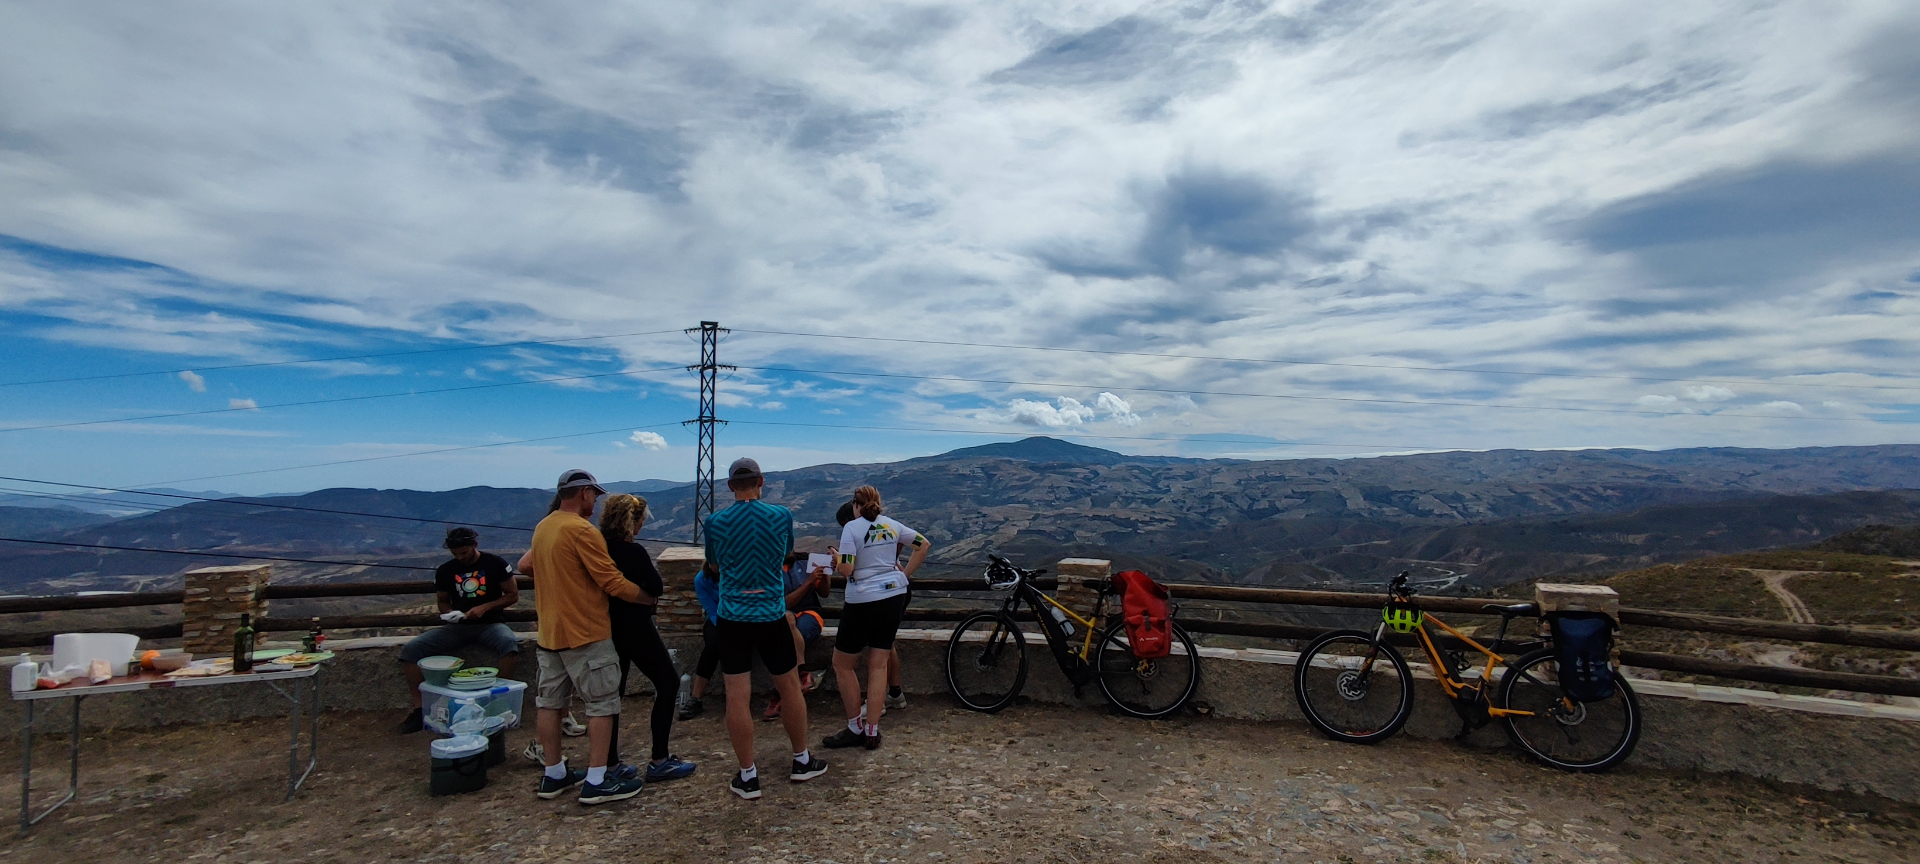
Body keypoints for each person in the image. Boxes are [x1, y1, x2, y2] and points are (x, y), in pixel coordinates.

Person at [521, 469, 648, 805]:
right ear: (584, 493)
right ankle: (597, 779)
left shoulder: (544, 526)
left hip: (550, 633)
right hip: (586, 633)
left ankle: (554, 774)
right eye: (594, 494)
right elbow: (612, 581)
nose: (595, 500)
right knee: (602, 704)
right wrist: (647, 597)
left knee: (550, 703)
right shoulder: (581, 530)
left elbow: (525, 566)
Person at [706, 457, 828, 799]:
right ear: (761, 482)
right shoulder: (780, 516)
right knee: (789, 688)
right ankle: (801, 760)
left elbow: (713, 565)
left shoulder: (715, 522)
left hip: (732, 616)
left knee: (737, 697)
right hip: (772, 613)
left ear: (730, 486)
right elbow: (786, 554)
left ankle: (748, 776)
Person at [597, 494, 697, 782]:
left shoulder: (598, 549)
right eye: (641, 520)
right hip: (636, 627)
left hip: (606, 627)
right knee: (668, 682)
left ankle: (610, 763)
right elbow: (656, 586)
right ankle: (659, 759)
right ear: (633, 521)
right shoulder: (633, 552)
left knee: (612, 695)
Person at [823, 486, 929, 751]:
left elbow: (847, 569)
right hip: (893, 595)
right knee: (879, 664)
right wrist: (903, 576)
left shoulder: (852, 528)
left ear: (855, 505)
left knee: (842, 664)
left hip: (862, 599)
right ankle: (872, 731)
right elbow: (923, 544)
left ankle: (854, 728)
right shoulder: (892, 525)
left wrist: (837, 558)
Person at [395, 527, 521, 734]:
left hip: (490, 624)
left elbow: (512, 595)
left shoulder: (495, 563)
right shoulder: (446, 570)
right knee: (411, 650)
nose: (461, 557)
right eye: (456, 554)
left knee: (508, 644)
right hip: (457, 627)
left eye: (464, 552)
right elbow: (443, 601)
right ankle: (420, 709)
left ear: (474, 545)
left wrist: (485, 608)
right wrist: (451, 614)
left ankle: (498, 700)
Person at [761, 551, 830, 721]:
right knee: (786, 622)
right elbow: (783, 604)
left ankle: (778, 696)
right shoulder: (768, 567)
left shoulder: (805, 560)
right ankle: (802, 674)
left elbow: (825, 592)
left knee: (785, 637)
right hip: (782, 617)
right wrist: (808, 583)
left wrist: (825, 574)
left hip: (809, 615)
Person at [676, 564, 722, 720]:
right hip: (716, 619)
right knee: (713, 644)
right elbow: (711, 610)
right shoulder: (701, 579)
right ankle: (696, 698)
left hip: (740, 617)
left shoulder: (737, 573)